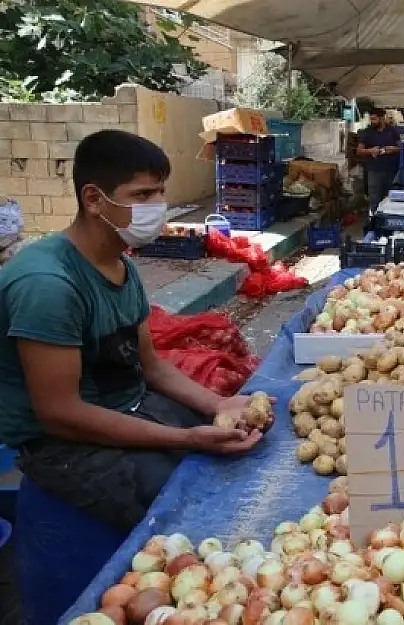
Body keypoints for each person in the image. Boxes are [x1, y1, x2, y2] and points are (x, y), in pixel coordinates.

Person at [0, 130, 265, 533]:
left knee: (244, 443)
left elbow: (152, 367)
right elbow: (59, 414)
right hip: (64, 444)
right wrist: (186, 438)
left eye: (160, 193)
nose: (156, 207)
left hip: (130, 407)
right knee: (201, 515)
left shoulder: (121, 266)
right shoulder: (48, 284)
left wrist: (216, 405)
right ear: (93, 199)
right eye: (142, 196)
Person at [356, 108, 401, 222]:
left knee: (390, 199)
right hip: (374, 171)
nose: (372, 121)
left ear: (382, 118)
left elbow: (401, 147)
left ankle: (389, 224)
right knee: (374, 199)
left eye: (374, 119)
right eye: (371, 119)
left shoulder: (392, 131)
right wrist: (370, 151)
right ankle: (374, 224)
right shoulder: (367, 132)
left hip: (391, 171)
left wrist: (393, 149)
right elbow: (359, 151)